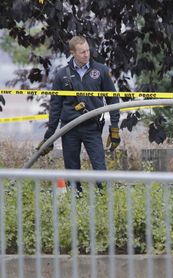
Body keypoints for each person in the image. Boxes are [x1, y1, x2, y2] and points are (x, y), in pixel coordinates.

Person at [37, 36, 121, 187]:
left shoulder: (101, 70)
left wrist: (114, 128)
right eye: (82, 52)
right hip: (69, 128)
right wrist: (49, 136)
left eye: (88, 50)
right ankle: (75, 205)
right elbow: (55, 107)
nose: (86, 54)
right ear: (72, 53)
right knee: (72, 172)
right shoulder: (61, 75)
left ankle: (104, 203)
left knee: (100, 170)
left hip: (92, 126)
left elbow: (113, 99)